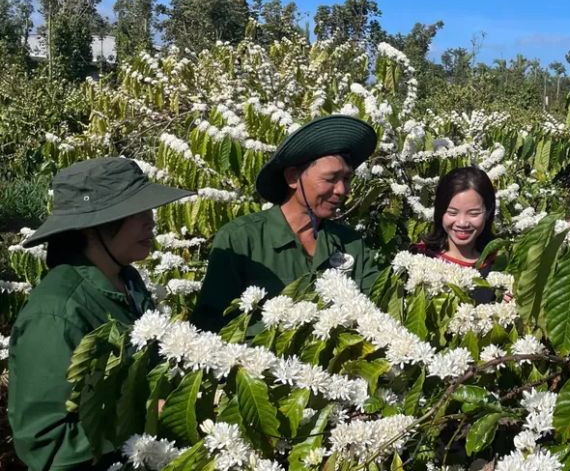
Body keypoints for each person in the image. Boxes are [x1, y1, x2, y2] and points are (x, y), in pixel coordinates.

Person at [8, 158, 192, 470]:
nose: (151, 221)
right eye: (136, 213)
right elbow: (45, 444)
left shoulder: (128, 281)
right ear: (93, 227)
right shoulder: (55, 314)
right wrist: (144, 417)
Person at [191, 115, 381, 332]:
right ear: (292, 177)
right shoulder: (241, 240)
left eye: (347, 179)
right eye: (330, 179)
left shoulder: (351, 244)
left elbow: (374, 310)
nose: (341, 190)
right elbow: (210, 325)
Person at [411, 167, 500, 303]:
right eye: (452, 213)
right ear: (440, 212)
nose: (462, 223)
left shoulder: (500, 264)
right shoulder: (418, 260)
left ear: (488, 212)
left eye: (473, 214)